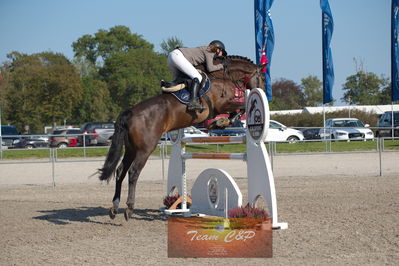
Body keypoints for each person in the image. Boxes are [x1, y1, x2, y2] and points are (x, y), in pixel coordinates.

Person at [165, 40, 227, 111]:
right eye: (222, 52)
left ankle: (167, 85)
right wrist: (221, 66)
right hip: (178, 57)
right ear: (218, 49)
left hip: (171, 57)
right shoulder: (210, 51)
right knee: (198, 78)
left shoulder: (205, 49)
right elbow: (210, 68)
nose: (222, 54)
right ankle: (193, 102)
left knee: (181, 80)